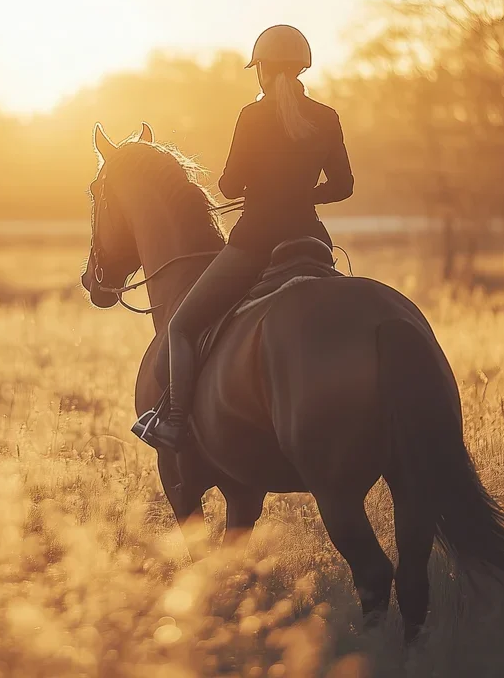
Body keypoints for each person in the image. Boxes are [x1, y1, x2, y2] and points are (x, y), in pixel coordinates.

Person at [135, 24, 355, 450]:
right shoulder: (326, 117)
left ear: (262, 70)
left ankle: (175, 421)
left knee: (180, 326)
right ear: (302, 68)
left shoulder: (252, 116)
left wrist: (262, 190)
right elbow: (343, 185)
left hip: (256, 243)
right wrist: (303, 194)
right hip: (312, 241)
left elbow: (231, 185)